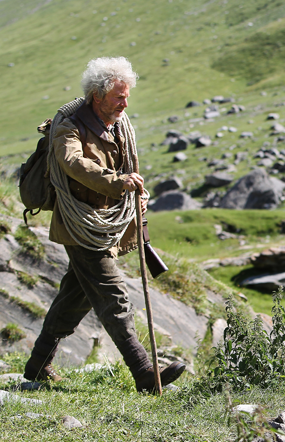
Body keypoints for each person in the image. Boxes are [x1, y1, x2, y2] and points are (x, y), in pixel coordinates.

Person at [23, 57, 185, 393]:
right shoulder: (68, 124)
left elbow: (129, 167)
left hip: (105, 224)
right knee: (114, 296)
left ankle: (38, 364)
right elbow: (72, 162)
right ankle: (144, 373)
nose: (125, 103)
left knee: (75, 296)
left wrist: (135, 193)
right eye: (118, 97)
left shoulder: (118, 123)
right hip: (79, 225)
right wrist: (117, 183)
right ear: (97, 95)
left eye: (127, 96)